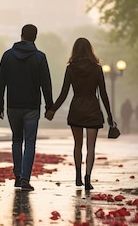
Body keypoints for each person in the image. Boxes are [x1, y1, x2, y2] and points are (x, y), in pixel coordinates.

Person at [45, 37, 114, 190]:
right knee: (91, 147)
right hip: (93, 110)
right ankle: (88, 178)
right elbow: (103, 94)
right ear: (90, 50)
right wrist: (110, 115)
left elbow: (64, 93)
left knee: (77, 145)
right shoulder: (97, 69)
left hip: (76, 109)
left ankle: (77, 176)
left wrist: (52, 110)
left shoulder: (71, 69)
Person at [0, 24, 53, 191]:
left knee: (16, 140)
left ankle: (17, 174)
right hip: (32, 106)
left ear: (21, 35)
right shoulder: (40, 58)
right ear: (35, 37)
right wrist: (49, 106)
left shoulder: (7, 56)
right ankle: (25, 178)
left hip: (13, 105)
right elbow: (46, 84)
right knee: (29, 142)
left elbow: (1, 81)